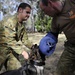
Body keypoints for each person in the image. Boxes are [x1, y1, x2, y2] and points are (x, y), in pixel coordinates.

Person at [39, 0, 75, 75]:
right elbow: (53, 35)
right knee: (60, 72)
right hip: (72, 47)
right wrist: (47, 41)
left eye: (44, 10)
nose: (44, 13)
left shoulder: (70, 2)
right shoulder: (55, 21)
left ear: (50, 3)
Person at [0, 2, 33, 71]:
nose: (28, 15)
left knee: (16, 71)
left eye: (29, 13)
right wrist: (23, 52)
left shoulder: (21, 25)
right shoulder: (10, 21)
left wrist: (33, 47)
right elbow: (10, 41)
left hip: (11, 52)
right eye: (27, 12)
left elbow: (25, 40)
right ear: (20, 10)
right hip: (1, 50)